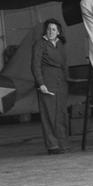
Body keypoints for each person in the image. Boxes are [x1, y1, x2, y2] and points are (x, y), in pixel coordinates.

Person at [31, 19, 70, 154]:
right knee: (49, 115)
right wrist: (41, 83)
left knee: (61, 114)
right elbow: (35, 65)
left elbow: (65, 64)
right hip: (48, 82)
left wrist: (68, 80)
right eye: (48, 29)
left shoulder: (61, 44)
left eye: (54, 29)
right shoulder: (40, 44)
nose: (51, 31)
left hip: (61, 83)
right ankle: (53, 145)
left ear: (58, 31)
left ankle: (63, 144)